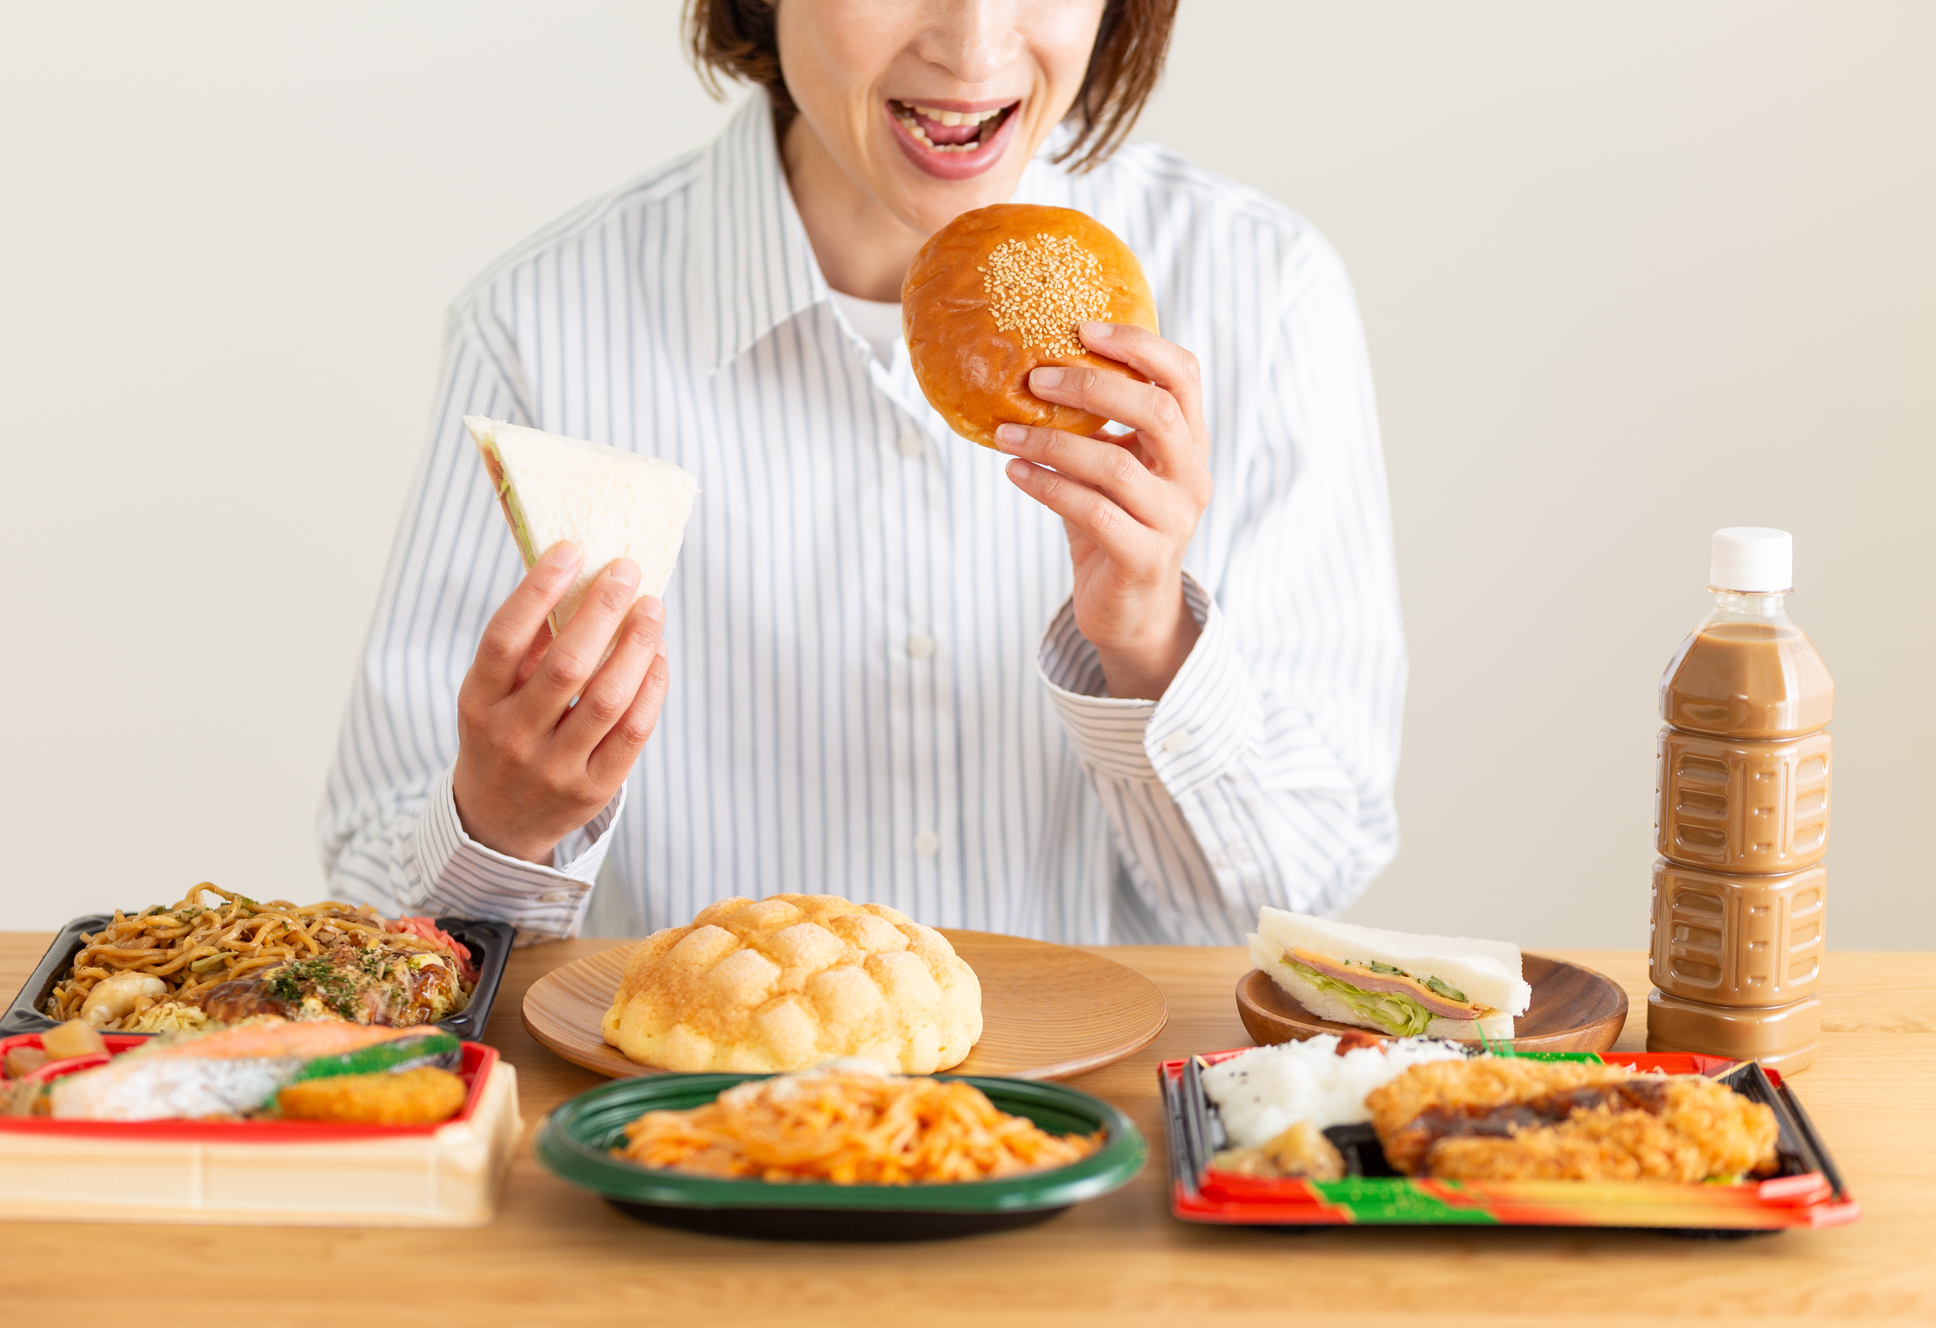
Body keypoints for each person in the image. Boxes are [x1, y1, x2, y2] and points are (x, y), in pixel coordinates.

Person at [318, 0, 1405, 946]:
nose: (974, 49)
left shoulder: (1261, 291)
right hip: (693, 1146)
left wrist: (1151, 647)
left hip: (1093, 1151)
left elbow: (1287, 904)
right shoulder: (541, 329)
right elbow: (376, 903)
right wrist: (499, 823)